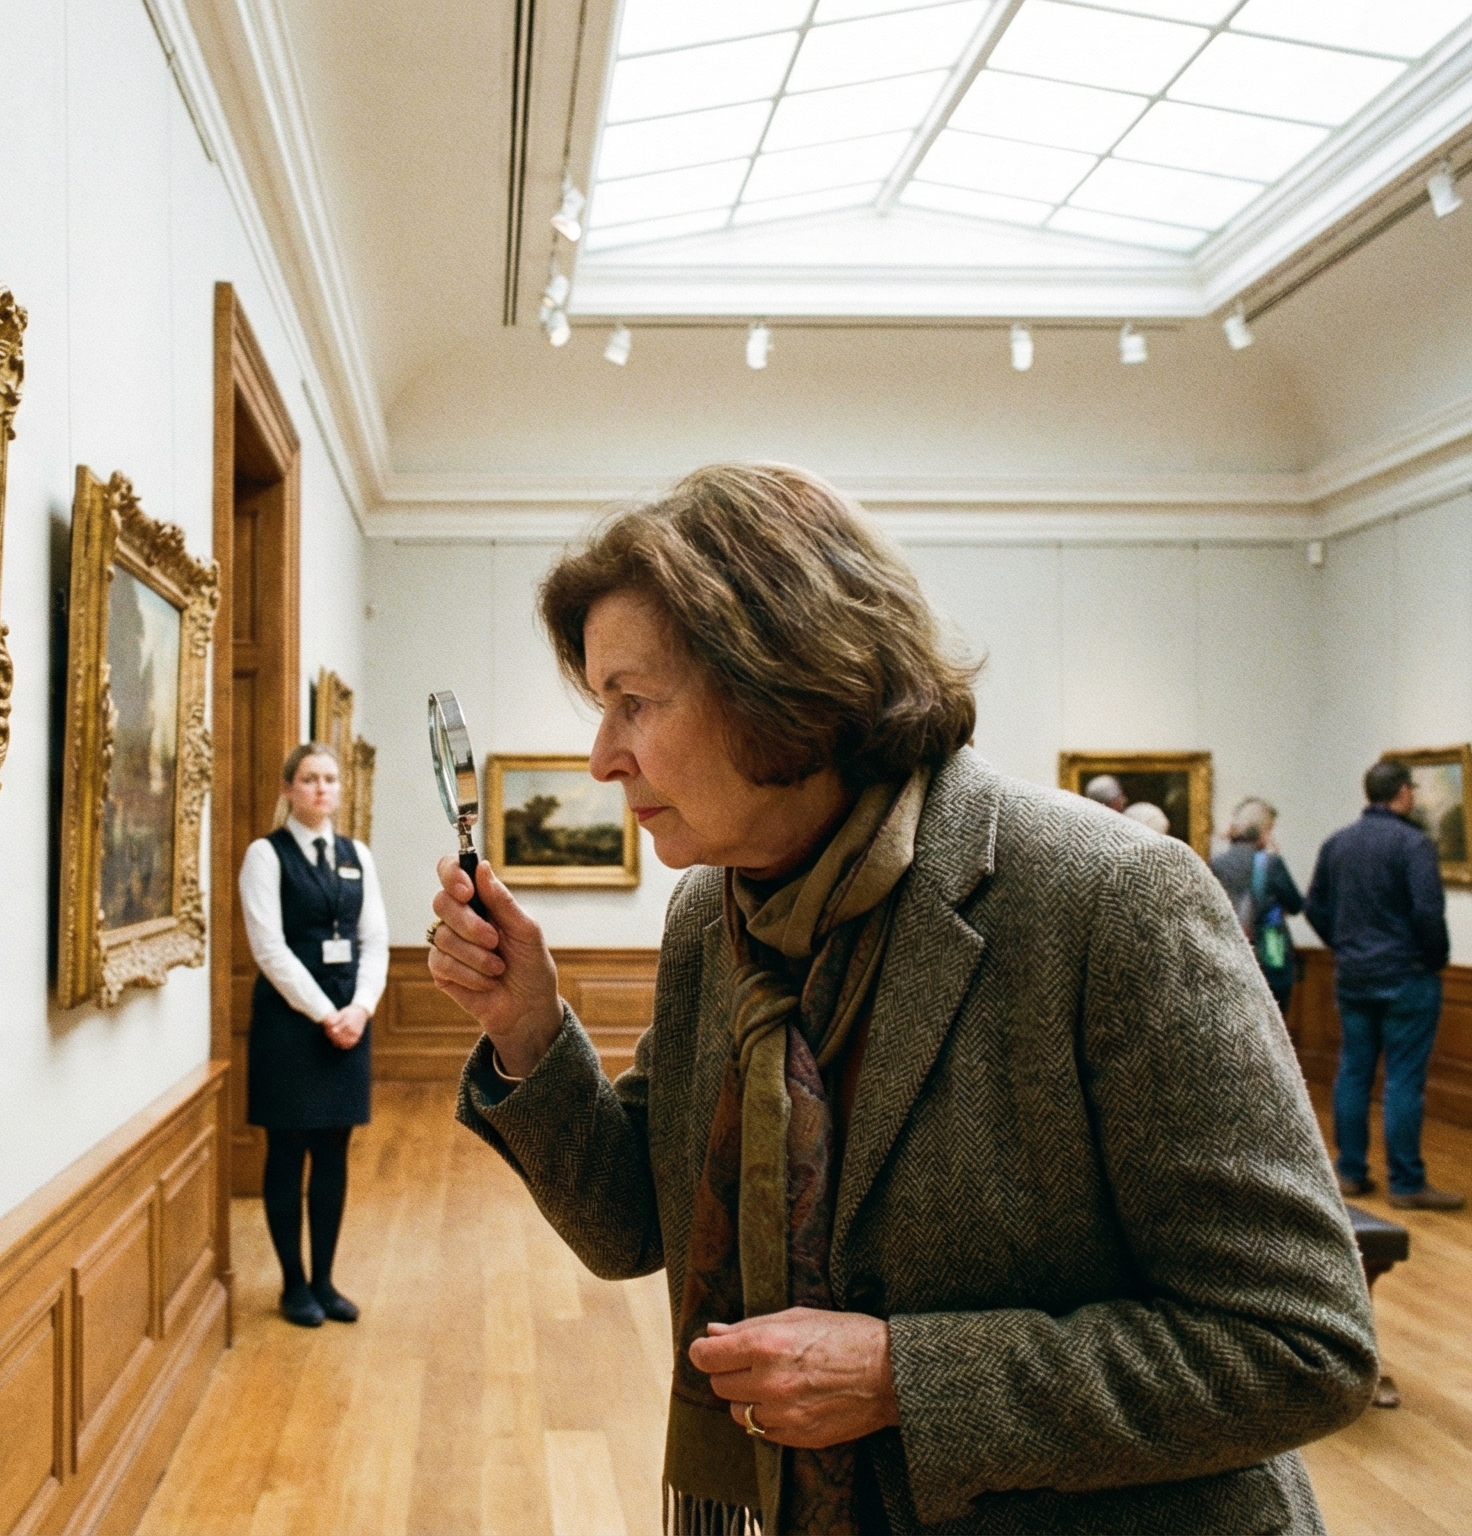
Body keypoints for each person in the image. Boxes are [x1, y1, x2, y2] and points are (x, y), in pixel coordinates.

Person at [427, 464, 1373, 1534]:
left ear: (782, 683)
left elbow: (1301, 1343)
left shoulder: (1107, 899)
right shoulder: (713, 916)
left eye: (634, 703)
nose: (603, 758)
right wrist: (526, 1030)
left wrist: (903, 1378)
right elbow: (632, 1225)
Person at [238, 743, 388, 1327]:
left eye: (330, 779)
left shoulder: (356, 856)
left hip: (350, 1021)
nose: (322, 788)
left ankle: (325, 1280)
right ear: (288, 790)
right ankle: (292, 1283)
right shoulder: (265, 855)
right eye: (309, 779)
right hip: (290, 1025)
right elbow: (268, 948)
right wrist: (327, 1012)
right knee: (288, 1150)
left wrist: (362, 1007)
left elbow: (373, 937)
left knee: (333, 1151)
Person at [1306, 760, 1459, 1211]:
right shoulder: (1413, 845)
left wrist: (1343, 944)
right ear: (1403, 794)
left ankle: (1350, 1172)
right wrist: (1433, 959)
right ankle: (1407, 1182)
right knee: (1403, 1082)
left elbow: (1315, 906)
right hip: (1405, 977)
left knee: (1353, 1072)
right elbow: (1428, 913)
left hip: (1355, 977)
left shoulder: (1338, 844)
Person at [1212, 798, 1305, 1016]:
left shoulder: (1217, 863)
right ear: (1265, 830)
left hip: (1231, 955)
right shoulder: (1271, 863)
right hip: (1271, 955)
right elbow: (1296, 904)